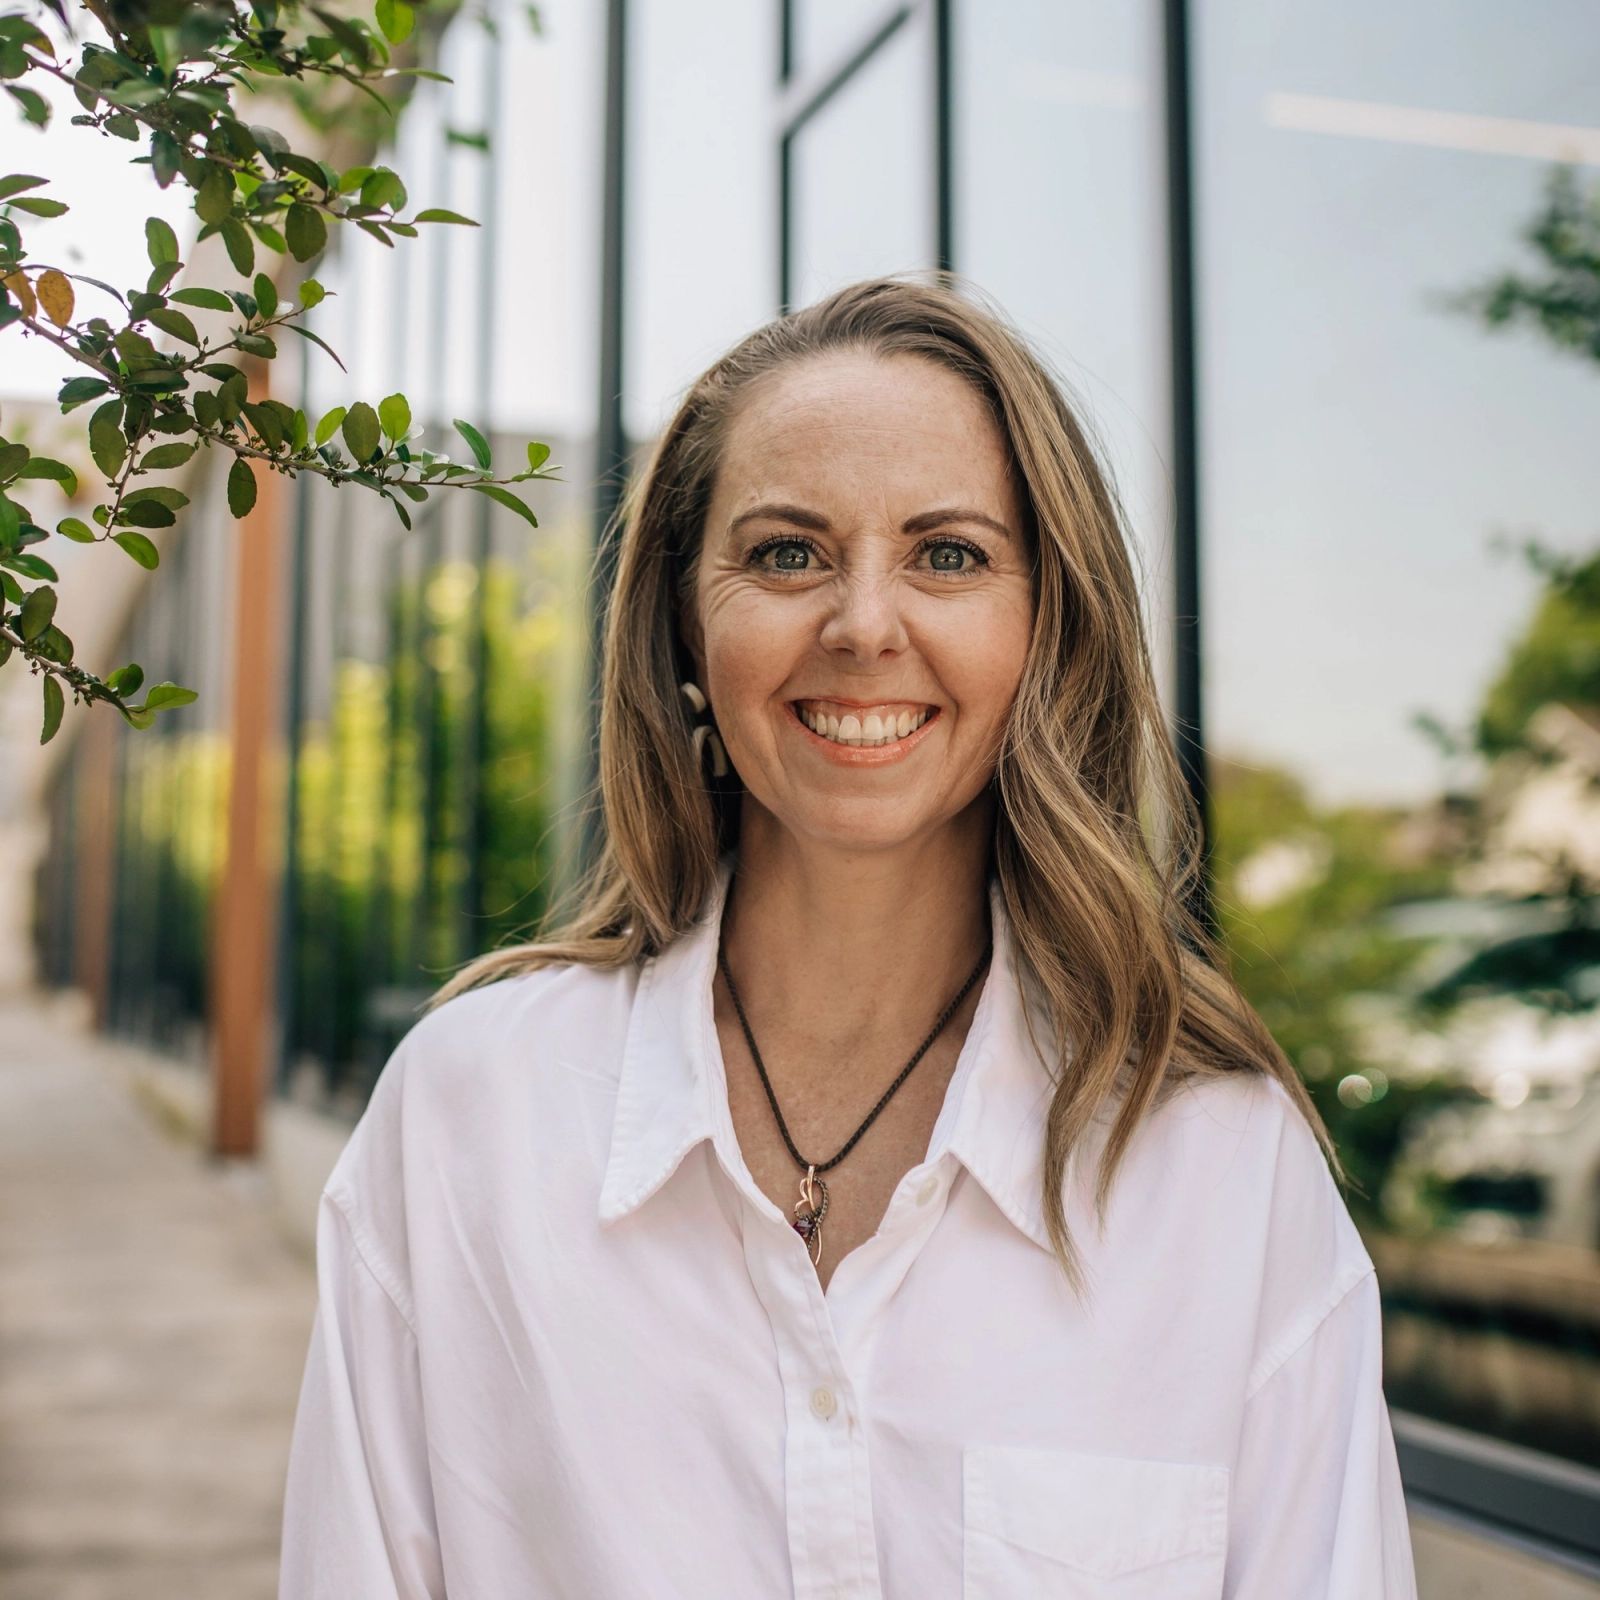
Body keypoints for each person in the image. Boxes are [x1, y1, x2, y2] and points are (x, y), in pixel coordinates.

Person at [278, 274, 1419, 1598]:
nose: (864, 625)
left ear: (1045, 626)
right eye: (785, 552)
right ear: (683, 635)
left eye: (949, 555)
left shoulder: (1219, 1168)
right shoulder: (468, 1121)